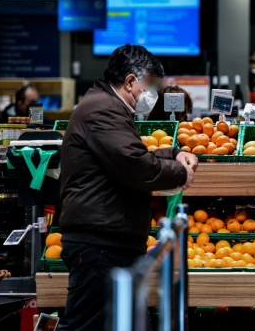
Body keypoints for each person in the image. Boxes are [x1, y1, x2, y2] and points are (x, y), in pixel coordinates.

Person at [58, 44, 198, 330]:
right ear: (131, 81)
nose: (152, 94)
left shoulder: (107, 106)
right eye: (149, 85)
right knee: (86, 324)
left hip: (107, 238)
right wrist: (179, 172)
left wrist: (172, 154)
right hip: (99, 243)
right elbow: (134, 165)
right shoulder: (104, 110)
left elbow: (130, 156)